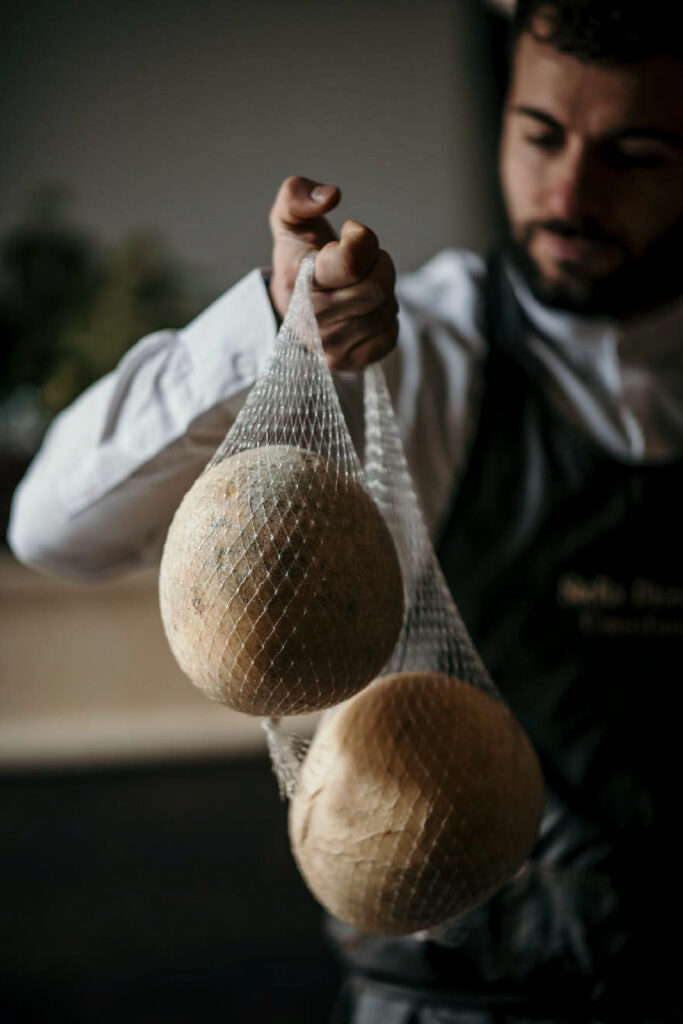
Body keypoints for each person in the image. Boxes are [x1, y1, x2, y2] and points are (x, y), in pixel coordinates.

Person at [8, 1, 683, 1020]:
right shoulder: (429, 349)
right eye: (539, 135)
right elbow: (54, 527)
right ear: (501, 115)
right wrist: (275, 322)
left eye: (630, 153)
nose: (568, 191)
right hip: (445, 1000)